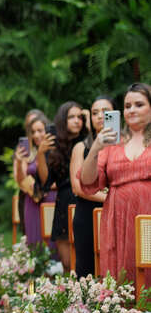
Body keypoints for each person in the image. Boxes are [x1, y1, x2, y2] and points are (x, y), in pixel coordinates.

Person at [80, 83, 151, 286]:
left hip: (149, 217)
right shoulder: (113, 143)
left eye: (139, 104)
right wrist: (95, 149)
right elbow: (88, 182)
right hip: (118, 219)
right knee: (123, 274)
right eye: (127, 106)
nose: (131, 110)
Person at [37, 101, 86, 270]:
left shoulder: (89, 142)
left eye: (80, 117)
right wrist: (41, 153)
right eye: (71, 117)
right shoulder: (55, 145)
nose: (76, 121)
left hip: (85, 200)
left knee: (84, 260)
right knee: (66, 262)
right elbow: (46, 181)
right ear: (62, 120)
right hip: (64, 202)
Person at [70, 95, 113, 277]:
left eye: (105, 112)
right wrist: (112, 198)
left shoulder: (125, 146)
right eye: (95, 112)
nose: (100, 116)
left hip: (116, 214)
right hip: (87, 214)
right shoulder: (81, 147)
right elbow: (77, 188)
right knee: (87, 271)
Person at [14, 109, 56, 245]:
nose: (36, 135)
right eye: (33, 132)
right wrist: (20, 161)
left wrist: (46, 187)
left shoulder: (56, 150)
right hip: (32, 201)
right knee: (34, 241)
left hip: (51, 199)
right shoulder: (28, 153)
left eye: (40, 130)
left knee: (53, 243)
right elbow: (21, 180)